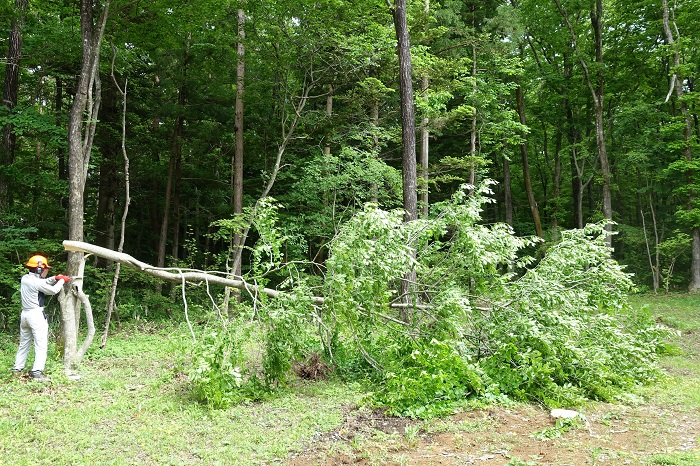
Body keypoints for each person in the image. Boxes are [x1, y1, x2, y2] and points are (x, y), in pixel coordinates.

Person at [12, 255, 70, 381]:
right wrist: (62, 281)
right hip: (36, 315)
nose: (47, 270)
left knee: (24, 344)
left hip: (25, 315)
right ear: (39, 269)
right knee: (41, 344)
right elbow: (54, 290)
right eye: (45, 268)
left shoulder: (25, 278)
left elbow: (41, 282)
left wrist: (54, 278)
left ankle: (17, 369)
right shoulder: (37, 282)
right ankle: (37, 372)